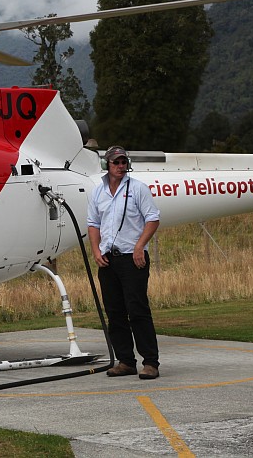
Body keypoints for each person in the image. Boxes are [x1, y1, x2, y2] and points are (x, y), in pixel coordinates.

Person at [87, 145, 162, 379]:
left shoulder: (138, 189)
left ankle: (150, 362)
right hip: (109, 259)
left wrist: (140, 246)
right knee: (115, 312)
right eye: (116, 162)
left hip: (133, 258)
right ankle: (125, 361)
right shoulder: (98, 192)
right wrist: (96, 251)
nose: (120, 166)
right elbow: (93, 223)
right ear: (106, 165)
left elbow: (153, 219)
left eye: (123, 162)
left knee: (137, 310)